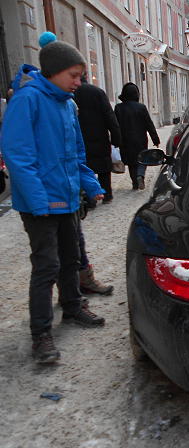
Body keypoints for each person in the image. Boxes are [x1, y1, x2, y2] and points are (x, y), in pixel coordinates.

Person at [1, 32, 107, 364]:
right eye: (73, 75)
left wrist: (90, 184)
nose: (79, 81)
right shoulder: (27, 100)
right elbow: (18, 155)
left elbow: (75, 153)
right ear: (53, 71)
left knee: (72, 257)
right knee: (46, 266)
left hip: (66, 198)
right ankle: (41, 334)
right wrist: (38, 202)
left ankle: (73, 307)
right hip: (41, 204)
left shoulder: (67, 104)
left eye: (81, 76)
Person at [74, 75, 121, 203]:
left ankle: (89, 198)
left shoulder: (71, 93)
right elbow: (110, 117)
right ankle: (106, 194)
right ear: (87, 77)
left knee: (84, 166)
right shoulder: (97, 92)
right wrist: (116, 139)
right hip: (99, 137)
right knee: (104, 169)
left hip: (79, 138)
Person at [114, 83, 160, 190]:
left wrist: (115, 141)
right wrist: (155, 139)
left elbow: (115, 125)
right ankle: (140, 176)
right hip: (140, 140)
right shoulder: (141, 108)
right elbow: (149, 125)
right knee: (142, 159)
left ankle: (135, 182)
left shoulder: (118, 108)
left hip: (125, 141)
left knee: (131, 163)